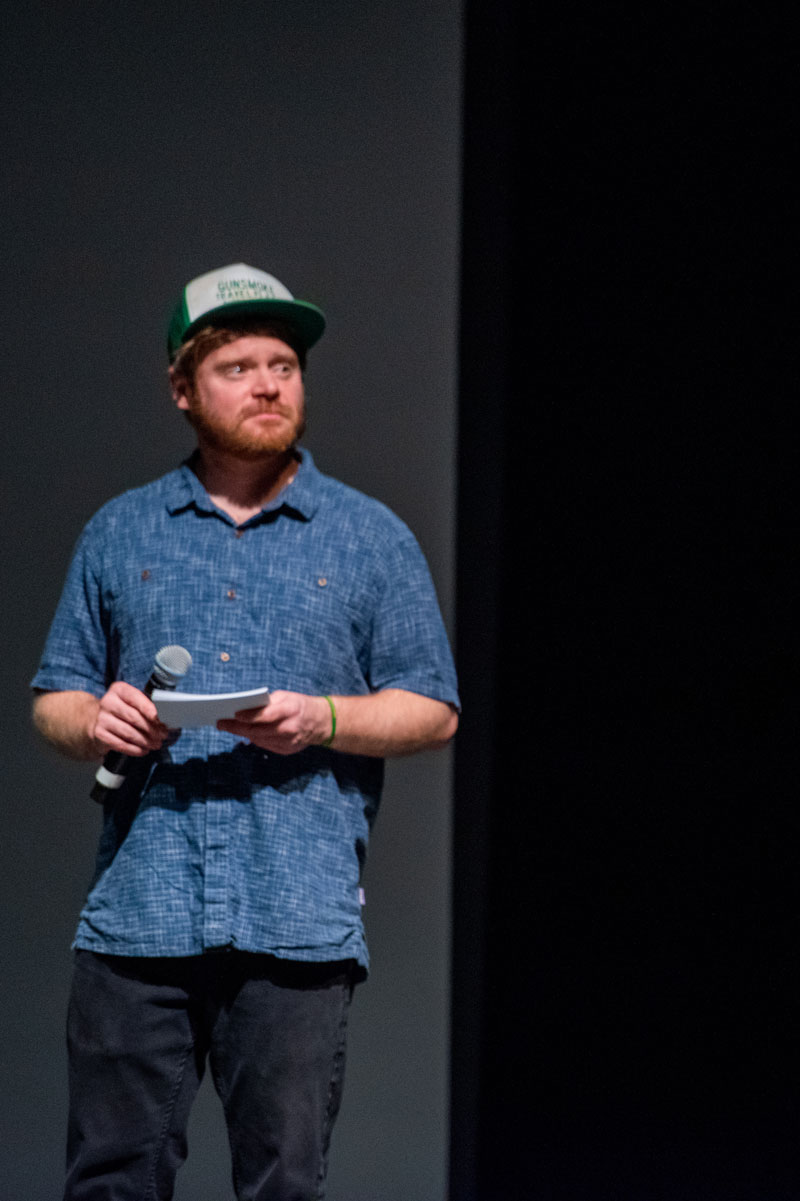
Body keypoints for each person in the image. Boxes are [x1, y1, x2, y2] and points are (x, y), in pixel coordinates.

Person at [31, 262, 460, 1201]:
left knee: (283, 1184)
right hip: (139, 916)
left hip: (296, 920)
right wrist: (95, 715)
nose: (269, 383)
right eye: (238, 366)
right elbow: (53, 698)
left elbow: (433, 707)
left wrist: (324, 716)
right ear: (183, 388)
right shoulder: (121, 532)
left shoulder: (370, 535)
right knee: (110, 1180)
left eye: (284, 364)